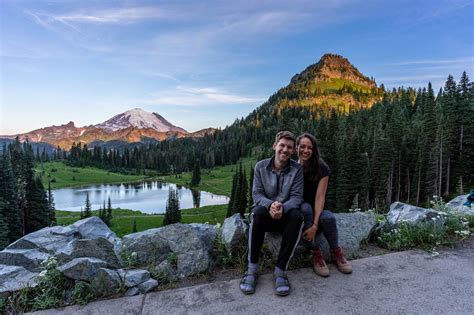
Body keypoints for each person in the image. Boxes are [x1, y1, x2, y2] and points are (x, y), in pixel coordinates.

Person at [240, 131, 304, 296]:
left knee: (297, 217)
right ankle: (252, 269)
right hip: (266, 214)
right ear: (274, 146)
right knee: (257, 212)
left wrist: (282, 208)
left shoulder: (297, 169)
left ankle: (280, 270)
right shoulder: (260, 166)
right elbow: (257, 194)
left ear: (293, 151)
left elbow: (297, 197)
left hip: (285, 214)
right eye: (282, 145)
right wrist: (271, 205)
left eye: (289, 147)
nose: (285, 150)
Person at [296, 133, 352, 277]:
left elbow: (320, 197)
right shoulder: (294, 168)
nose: (306, 150)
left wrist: (315, 225)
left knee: (328, 218)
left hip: (318, 207)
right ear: (297, 148)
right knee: (305, 208)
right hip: (303, 210)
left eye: (310, 147)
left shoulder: (322, 168)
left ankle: (336, 252)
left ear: (314, 150)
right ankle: (316, 253)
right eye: (302, 146)